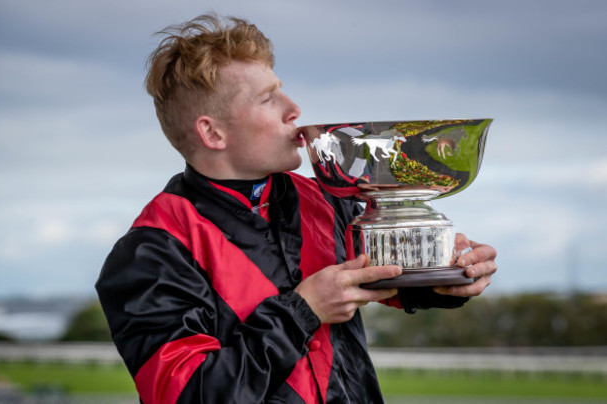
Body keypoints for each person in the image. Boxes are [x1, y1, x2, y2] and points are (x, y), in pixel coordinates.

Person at [95, 14, 498, 404]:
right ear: (212, 132)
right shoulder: (153, 249)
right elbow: (189, 395)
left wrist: (444, 278)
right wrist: (303, 311)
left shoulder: (327, 198)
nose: (294, 109)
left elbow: (384, 280)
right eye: (269, 99)